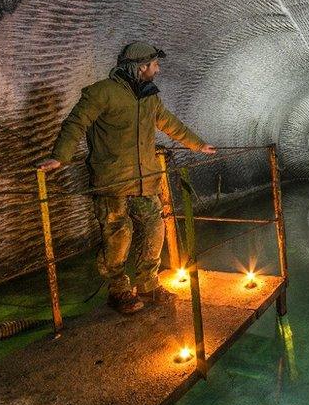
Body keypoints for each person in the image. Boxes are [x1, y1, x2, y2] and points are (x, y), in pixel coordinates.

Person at [38, 41, 216, 314]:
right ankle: (119, 290)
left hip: (145, 179)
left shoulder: (149, 98)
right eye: (155, 65)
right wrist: (60, 156)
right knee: (118, 235)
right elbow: (76, 122)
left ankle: (148, 284)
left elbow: (170, 124)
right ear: (141, 66)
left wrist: (198, 145)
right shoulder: (102, 93)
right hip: (113, 181)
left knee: (154, 228)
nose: (157, 70)